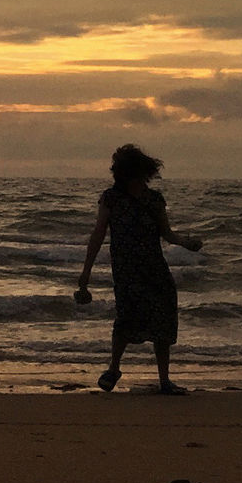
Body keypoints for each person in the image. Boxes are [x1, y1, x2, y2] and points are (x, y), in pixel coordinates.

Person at [75, 143, 203, 394]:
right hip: (126, 270)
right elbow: (98, 235)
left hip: (155, 268)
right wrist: (85, 274)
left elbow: (167, 233)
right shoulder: (111, 199)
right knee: (125, 318)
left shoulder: (154, 200)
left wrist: (186, 243)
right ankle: (113, 369)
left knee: (163, 319)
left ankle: (164, 380)